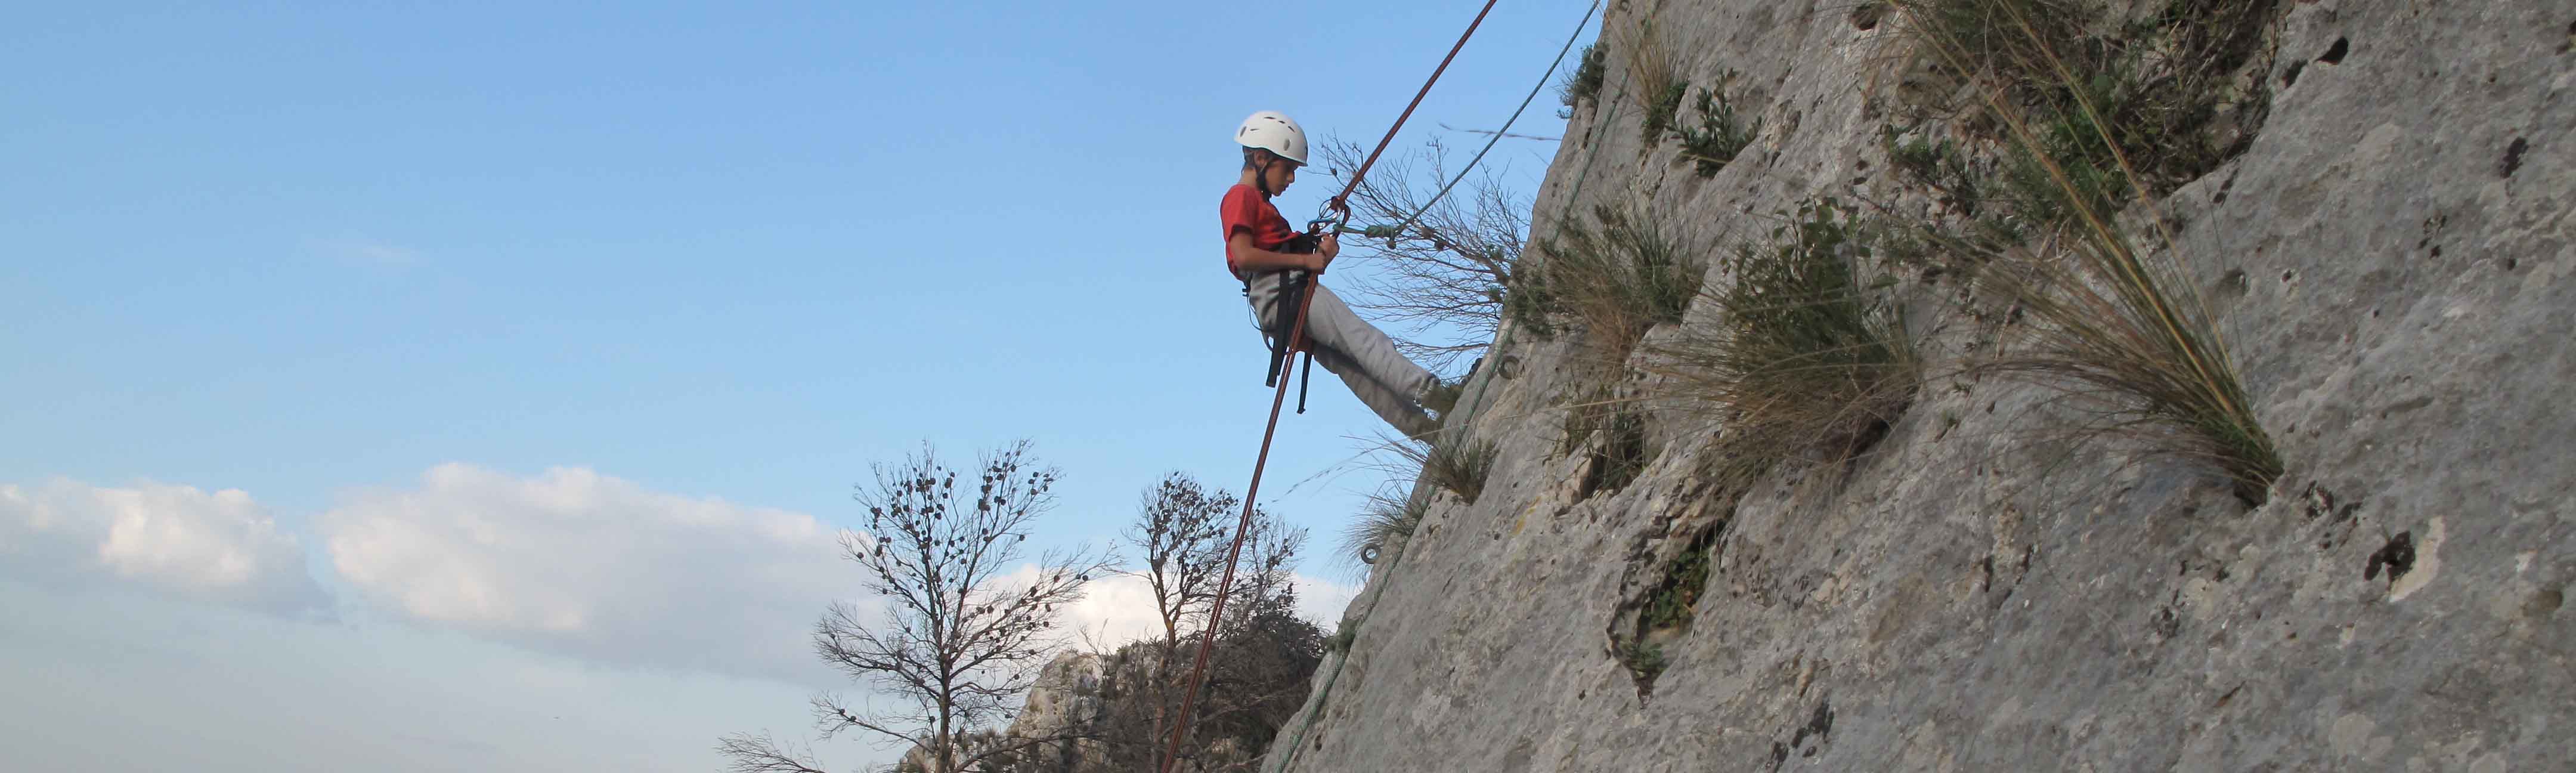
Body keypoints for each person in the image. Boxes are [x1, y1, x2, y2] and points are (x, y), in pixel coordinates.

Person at [1219, 110, 1454, 438]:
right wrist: (1308, 263)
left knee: (1353, 369)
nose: (1291, 179)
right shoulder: (1240, 197)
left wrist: (1318, 256)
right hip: (1287, 293)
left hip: (1275, 305)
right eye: (1287, 169)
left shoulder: (1256, 203)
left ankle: (1428, 433)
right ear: (1261, 158)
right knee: (1362, 341)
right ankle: (1441, 398)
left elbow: (1271, 255)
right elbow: (1244, 255)